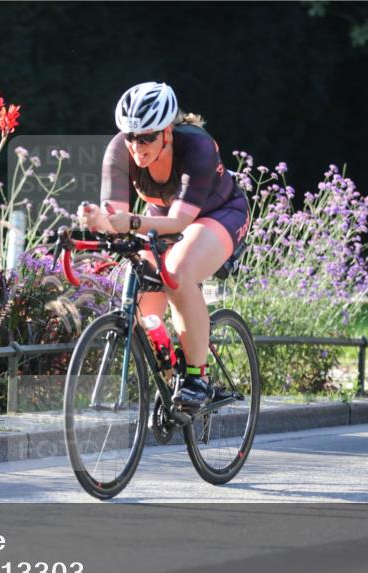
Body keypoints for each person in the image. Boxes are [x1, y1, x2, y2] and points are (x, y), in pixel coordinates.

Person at [79, 82, 249, 410]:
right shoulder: (118, 151)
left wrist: (129, 222)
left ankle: (197, 378)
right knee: (142, 292)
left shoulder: (197, 147)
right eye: (130, 136)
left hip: (219, 212)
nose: (136, 145)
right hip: (161, 216)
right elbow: (115, 218)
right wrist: (94, 219)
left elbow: (178, 224)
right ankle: (171, 374)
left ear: (167, 132)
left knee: (176, 271)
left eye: (146, 137)